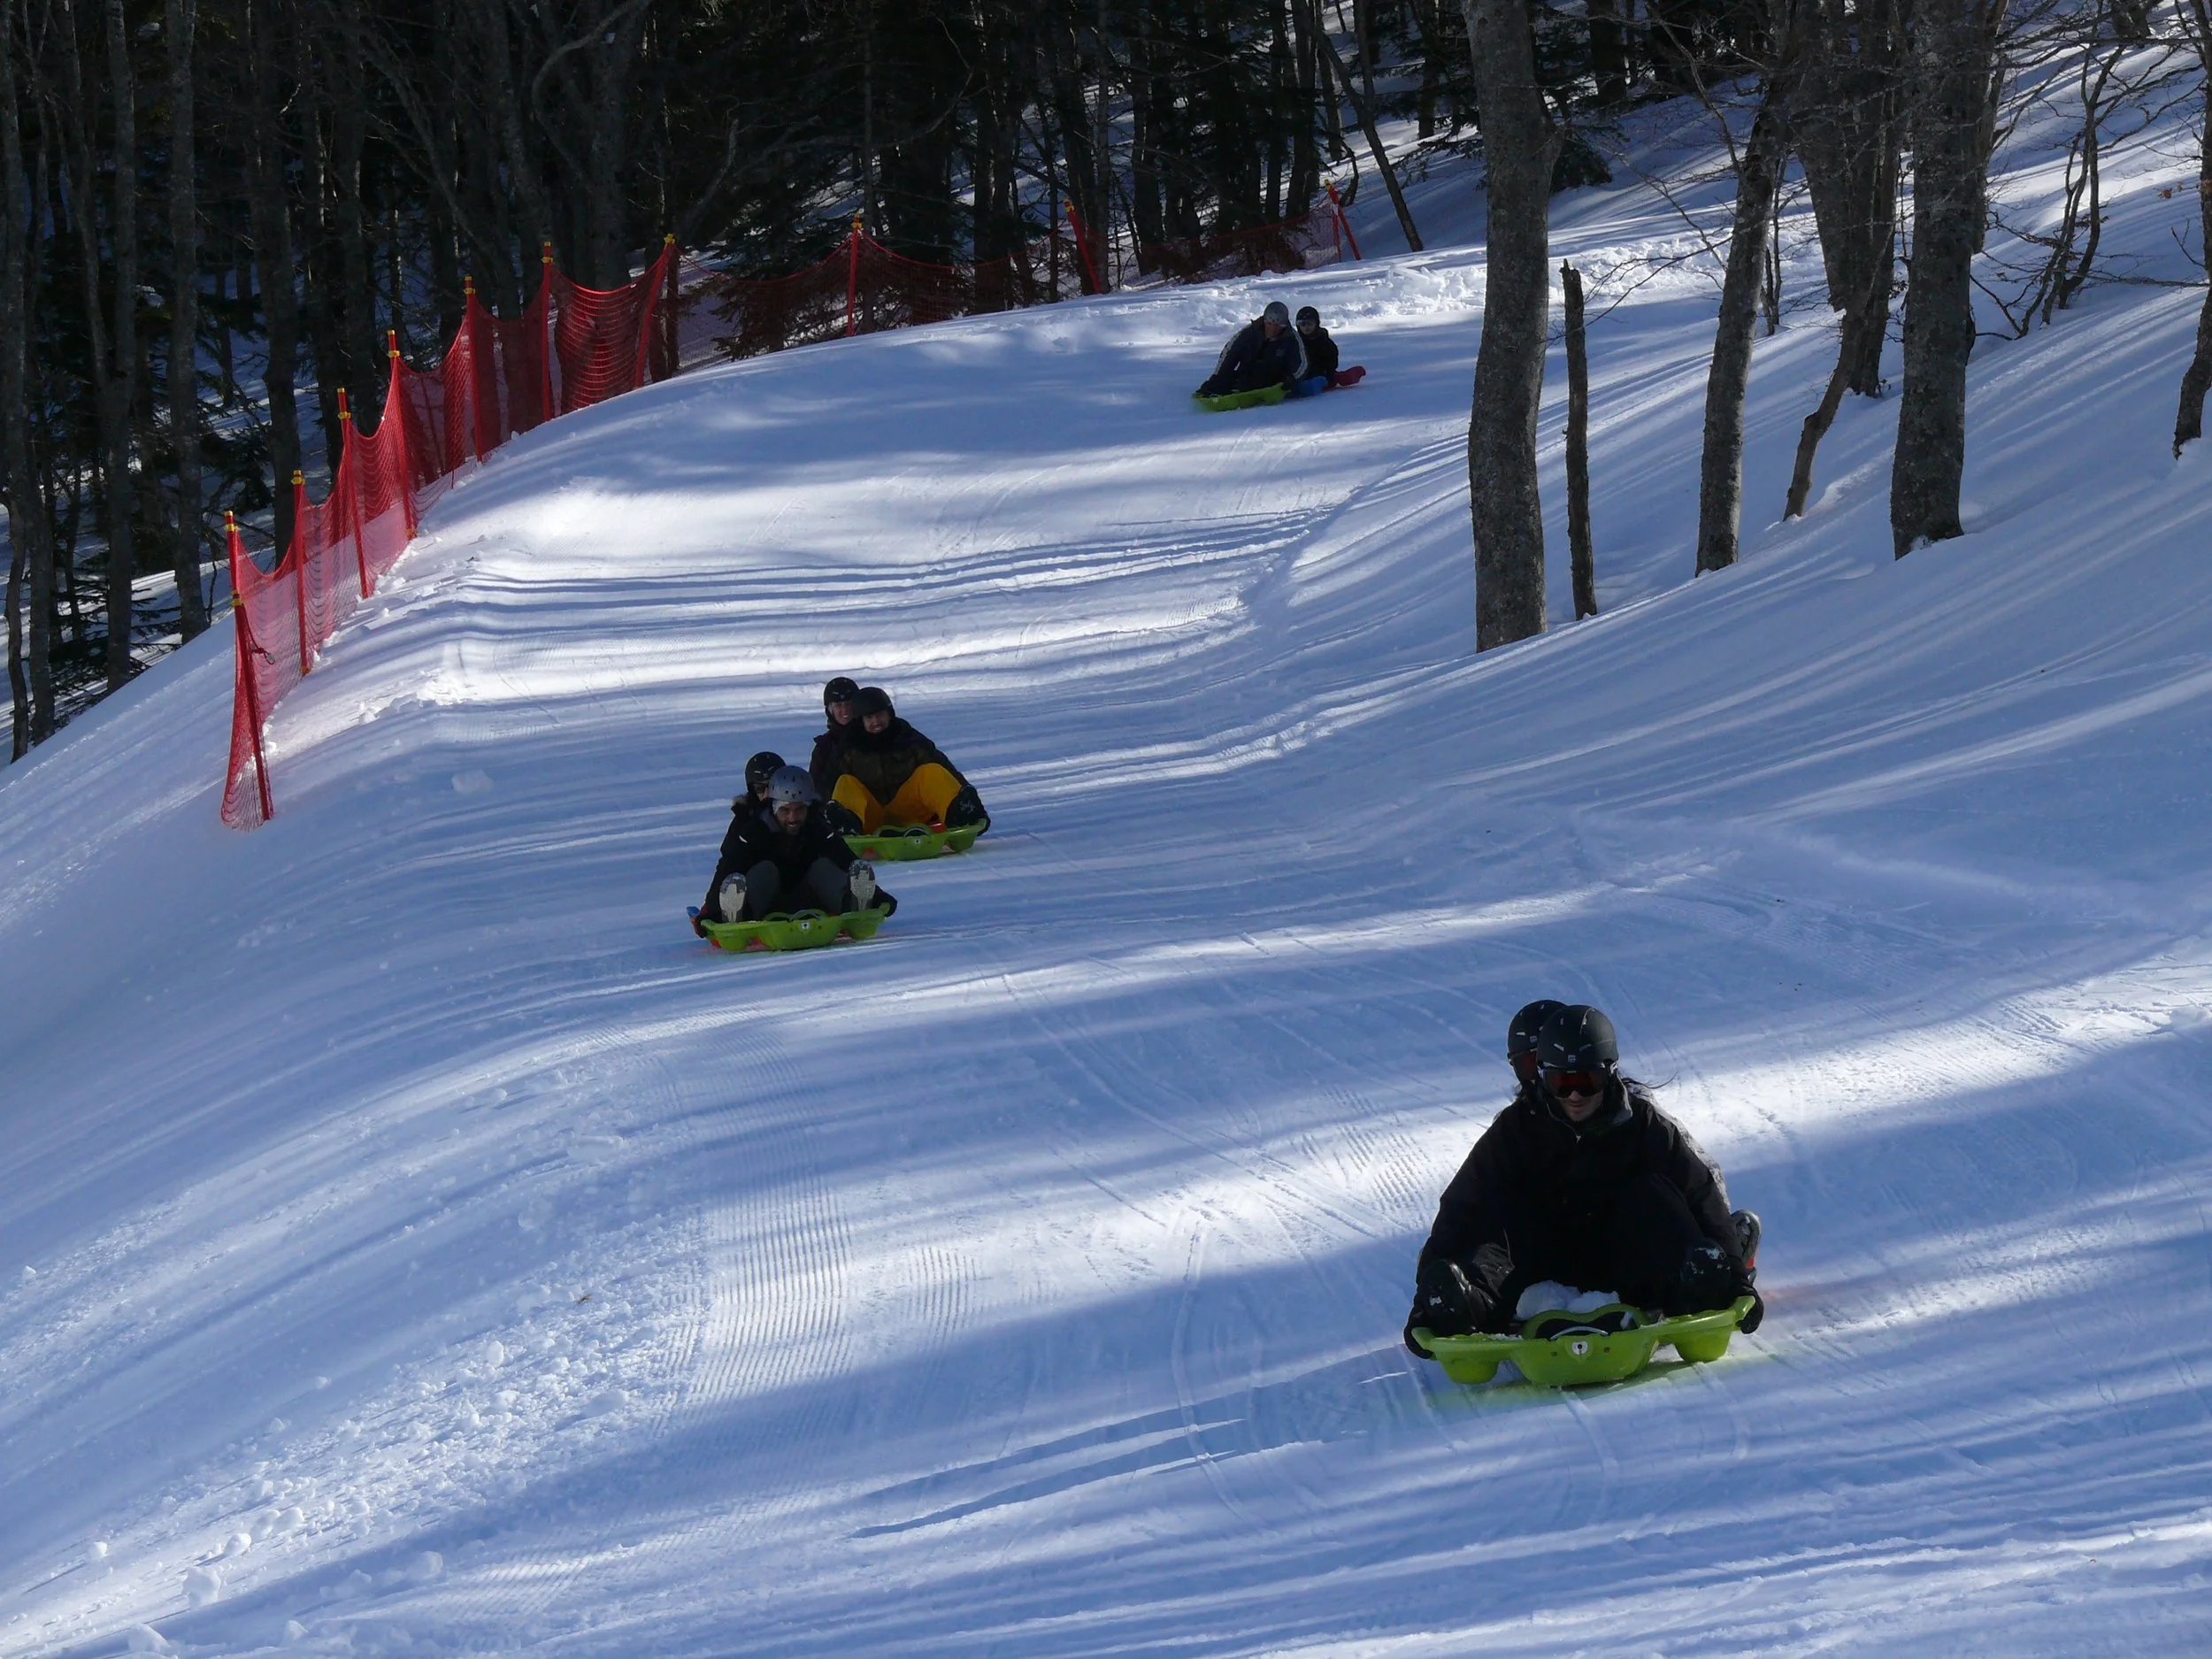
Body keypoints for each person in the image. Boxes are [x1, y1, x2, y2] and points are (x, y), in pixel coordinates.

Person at [1404, 1004, 1762, 1357]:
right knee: (1497, 1207)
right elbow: (1463, 1205)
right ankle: (1466, 1305)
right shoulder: (1515, 1129)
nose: (1574, 1095)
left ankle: (1695, 1286)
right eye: (1560, 1082)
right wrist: (1426, 1295)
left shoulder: (1643, 1124)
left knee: (1653, 1194)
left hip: (1623, 1260)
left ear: (1608, 1074)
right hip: (1541, 1262)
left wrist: (1733, 1271)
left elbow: (1701, 1192)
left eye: (1585, 1082)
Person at [695, 766, 894, 931]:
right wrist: (711, 911)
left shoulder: (817, 826)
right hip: (763, 903)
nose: (793, 818)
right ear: (774, 808)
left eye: (800, 810)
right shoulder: (755, 829)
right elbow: (728, 866)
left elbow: (845, 859)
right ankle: (736, 915)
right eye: (785, 811)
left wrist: (878, 895)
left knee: (823, 867)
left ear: (808, 806)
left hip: (807, 899)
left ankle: (853, 905)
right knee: (766, 870)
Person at [829, 686, 989, 836]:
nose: (876, 721)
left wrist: (969, 802)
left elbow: (946, 772)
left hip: (910, 813)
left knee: (930, 771)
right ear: (860, 721)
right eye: (869, 717)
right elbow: (828, 786)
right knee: (845, 782)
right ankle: (847, 826)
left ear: (889, 714)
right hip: (869, 817)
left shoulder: (908, 738)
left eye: (880, 715)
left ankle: (960, 814)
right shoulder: (849, 747)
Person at [1195, 300, 1308, 398]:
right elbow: (1230, 353)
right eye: (1269, 324)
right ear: (1264, 321)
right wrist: (1217, 376)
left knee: (1250, 383)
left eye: (1278, 326)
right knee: (1224, 380)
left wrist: (1292, 379)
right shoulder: (1250, 332)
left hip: (1273, 379)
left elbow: (1301, 364)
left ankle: (1236, 389)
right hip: (1247, 372)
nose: (1273, 329)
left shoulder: (1291, 338)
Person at [809, 677, 860, 800]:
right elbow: (815, 788)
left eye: (848, 704)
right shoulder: (825, 747)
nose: (845, 710)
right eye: (838, 705)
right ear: (830, 710)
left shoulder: (871, 734)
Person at [1286, 305, 1339, 396]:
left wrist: (1329, 372)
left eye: (1310, 323)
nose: (1306, 327)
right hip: (1302, 375)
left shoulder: (1323, 340)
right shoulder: (1296, 341)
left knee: (1315, 383)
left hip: (1321, 374)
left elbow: (1332, 358)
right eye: (1303, 324)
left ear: (1316, 323)